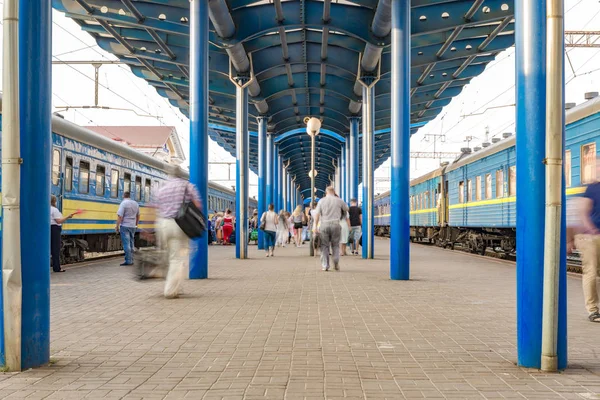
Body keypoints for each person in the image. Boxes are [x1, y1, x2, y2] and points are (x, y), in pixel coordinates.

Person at [156, 164, 201, 299]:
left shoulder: (162, 187)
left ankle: (178, 286)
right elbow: (197, 205)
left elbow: (154, 207)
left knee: (170, 257)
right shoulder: (186, 186)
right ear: (180, 173)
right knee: (178, 259)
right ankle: (170, 290)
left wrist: (147, 230)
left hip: (163, 224)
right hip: (179, 224)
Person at [575, 175, 600, 323]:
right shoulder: (592, 188)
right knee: (591, 270)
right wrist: (591, 229)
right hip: (590, 236)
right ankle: (593, 310)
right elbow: (583, 210)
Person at [312, 187, 349, 271]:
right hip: (336, 224)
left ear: (326, 192)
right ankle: (335, 262)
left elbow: (317, 214)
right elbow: (347, 209)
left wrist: (315, 226)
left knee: (324, 246)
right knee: (335, 245)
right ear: (334, 192)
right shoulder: (339, 200)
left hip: (324, 224)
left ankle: (325, 265)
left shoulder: (321, 201)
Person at [51, 195, 75, 273]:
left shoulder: (44, 209)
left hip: (47, 228)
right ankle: (57, 267)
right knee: (55, 249)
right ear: (54, 201)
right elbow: (59, 221)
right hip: (55, 229)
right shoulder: (54, 210)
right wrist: (68, 217)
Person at [116, 192, 140, 266]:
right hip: (133, 226)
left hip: (125, 226)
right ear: (129, 196)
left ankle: (128, 261)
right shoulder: (136, 204)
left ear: (123, 196)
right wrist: (136, 224)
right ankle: (131, 259)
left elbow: (120, 216)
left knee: (126, 244)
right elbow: (138, 216)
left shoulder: (123, 203)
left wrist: (117, 226)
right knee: (131, 243)